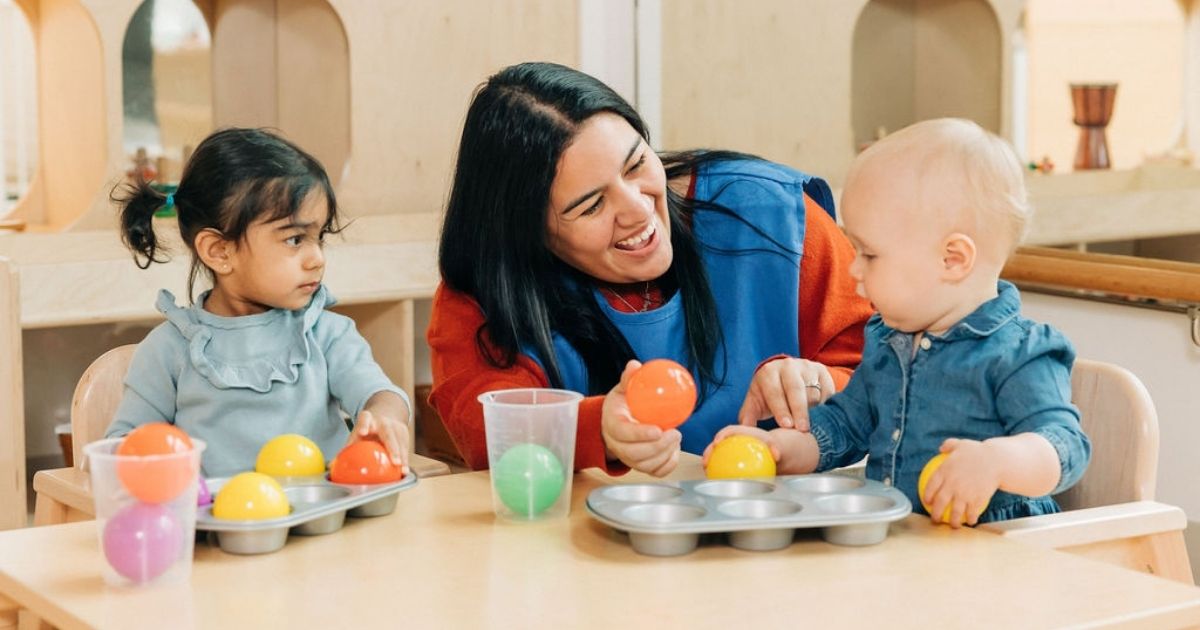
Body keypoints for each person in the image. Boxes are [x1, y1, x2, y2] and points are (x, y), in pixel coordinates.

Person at [428, 62, 874, 476]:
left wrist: (819, 382)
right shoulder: (486, 293)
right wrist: (599, 425)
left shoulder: (771, 214)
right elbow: (488, 429)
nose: (638, 209)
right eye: (593, 205)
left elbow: (893, 365)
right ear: (528, 233)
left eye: (637, 163)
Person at [707, 118, 1092, 526]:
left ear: (952, 259)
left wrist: (995, 462)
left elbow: (1065, 446)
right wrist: (780, 449)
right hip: (904, 548)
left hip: (994, 560)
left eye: (869, 255)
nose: (853, 269)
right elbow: (845, 426)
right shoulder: (887, 339)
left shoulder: (1021, 353)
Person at [106, 128, 411, 477]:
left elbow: (380, 393)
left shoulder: (327, 334)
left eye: (319, 237)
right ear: (220, 251)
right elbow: (125, 447)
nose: (317, 258)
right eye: (295, 239)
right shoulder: (169, 350)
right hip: (216, 528)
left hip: (328, 521)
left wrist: (383, 418)